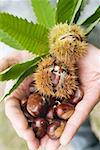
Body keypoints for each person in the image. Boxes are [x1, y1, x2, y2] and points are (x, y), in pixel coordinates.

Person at [0, 0, 100, 150]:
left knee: (74, 117)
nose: (58, 71)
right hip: (39, 33)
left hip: (85, 27)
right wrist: (18, 50)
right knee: (74, 124)